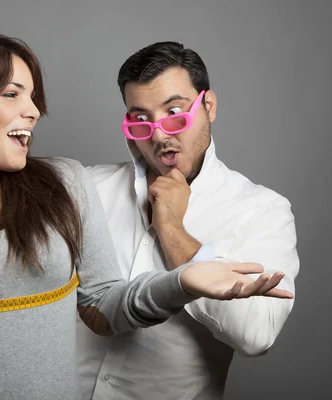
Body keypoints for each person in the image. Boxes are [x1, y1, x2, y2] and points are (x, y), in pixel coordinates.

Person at [0, 32, 292, 400]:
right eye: (13, 93)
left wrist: (182, 273)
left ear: (207, 106)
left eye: (174, 115)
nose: (35, 111)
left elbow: (104, 301)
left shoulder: (66, 182)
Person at [76, 41, 300, 400]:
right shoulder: (87, 188)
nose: (161, 134)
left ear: (208, 106)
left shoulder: (261, 210)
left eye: (175, 112)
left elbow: (257, 336)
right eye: (141, 120)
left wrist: (173, 231)